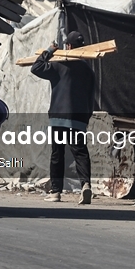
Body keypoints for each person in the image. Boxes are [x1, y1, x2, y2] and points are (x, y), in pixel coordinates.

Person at [31, 30, 95, 204]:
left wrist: (50, 50)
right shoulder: (88, 71)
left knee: (57, 154)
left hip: (59, 117)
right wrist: (86, 119)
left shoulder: (59, 66)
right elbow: (91, 99)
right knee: (80, 153)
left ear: (67, 46)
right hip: (79, 118)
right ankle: (86, 185)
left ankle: (56, 192)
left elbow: (35, 67)